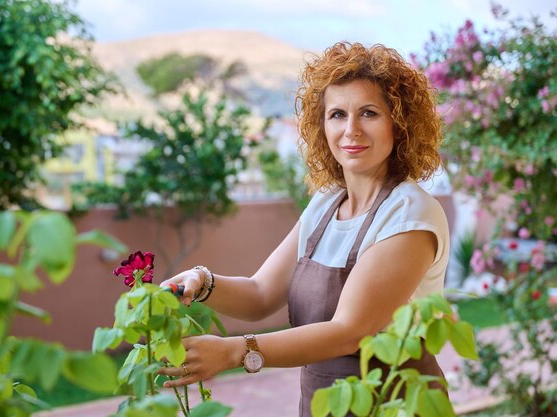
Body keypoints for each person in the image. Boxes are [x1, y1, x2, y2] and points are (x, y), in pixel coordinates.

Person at [159, 42, 450, 417]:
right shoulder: (326, 204)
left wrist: (235, 351)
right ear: (321, 124)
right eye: (337, 114)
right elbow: (261, 294)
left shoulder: (410, 212)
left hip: (397, 406)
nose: (351, 130)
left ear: (400, 122)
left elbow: (350, 330)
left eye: (369, 113)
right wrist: (201, 281)